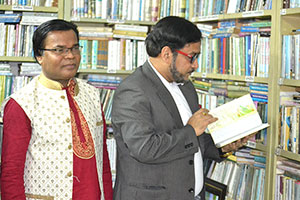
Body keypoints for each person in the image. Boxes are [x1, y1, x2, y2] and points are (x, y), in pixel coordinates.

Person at [111, 16, 250, 200]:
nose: (196, 65)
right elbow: (145, 148)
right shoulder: (133, 90)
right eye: (192, 57)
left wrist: (222, 147)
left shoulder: (186, 86)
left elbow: (191, 141)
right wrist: (192, 130)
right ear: (167, 54)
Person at [0, 19, 113, 200]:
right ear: (39, 56)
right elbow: (11, 173)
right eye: (59, 50)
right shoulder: (22, 104)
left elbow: (103, 160)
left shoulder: (92, 95)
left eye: (75, 48)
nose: (70, 56)